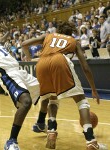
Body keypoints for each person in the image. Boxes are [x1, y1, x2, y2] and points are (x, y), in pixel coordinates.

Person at [22, 21, 107, 150]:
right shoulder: (73, 41)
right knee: (81, 101)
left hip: (41, 63)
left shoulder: (48, 36)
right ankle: (91, 141)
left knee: (52, 97)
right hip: (59, 60)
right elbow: (85, 67)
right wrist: (94, 89)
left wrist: (28, 59)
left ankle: (51, 130)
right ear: (71, 32)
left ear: (59, 30)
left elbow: (24, 44)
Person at [0, 23, 40, 150]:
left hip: (20, 71)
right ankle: (11, 141)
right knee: (26, 102)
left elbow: (3, 38)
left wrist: (7, 31)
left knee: (47, 91)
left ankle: (40, 123)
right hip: (9, 75)